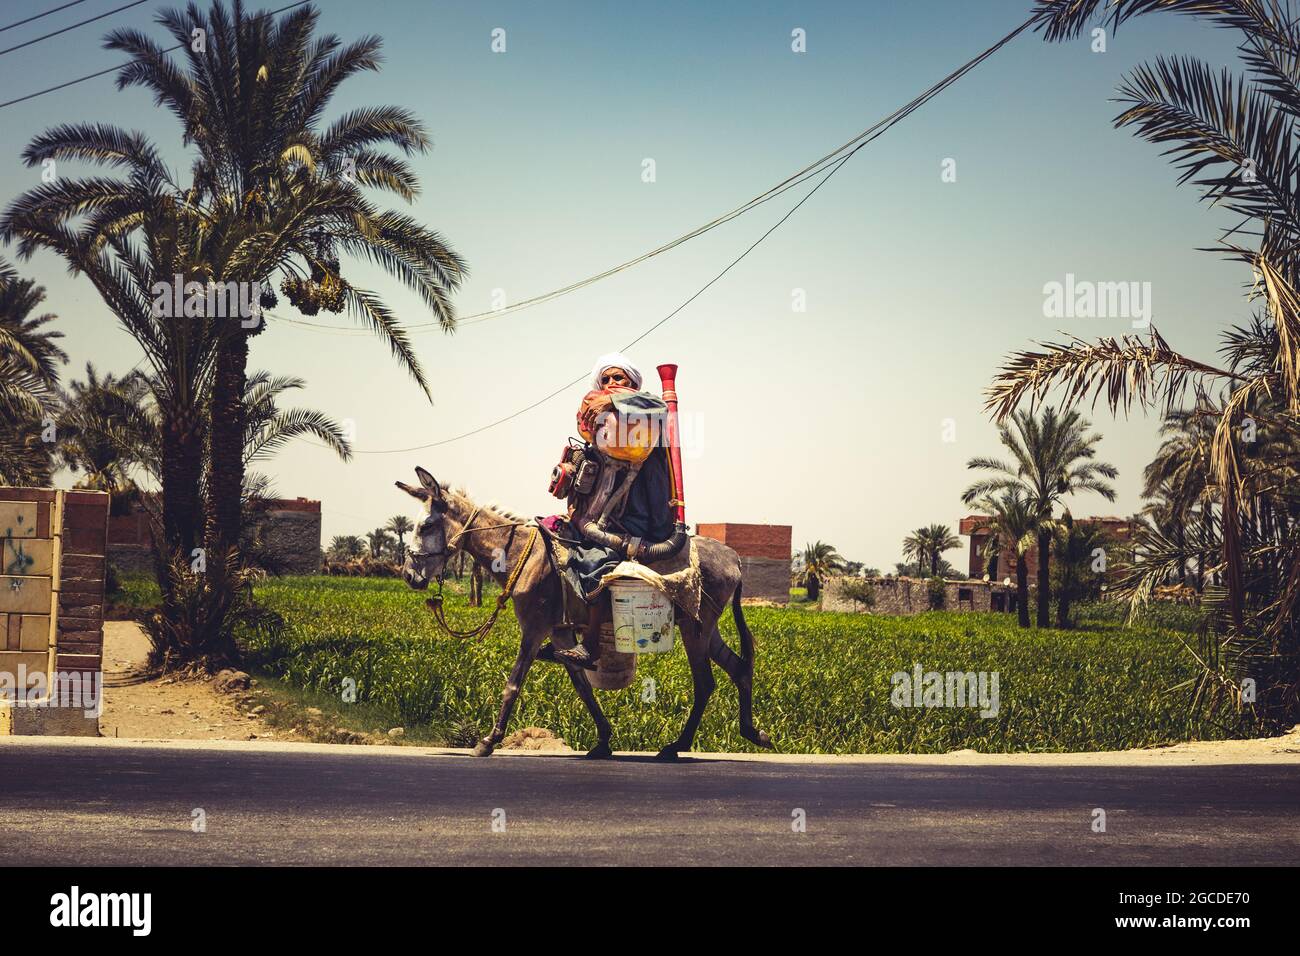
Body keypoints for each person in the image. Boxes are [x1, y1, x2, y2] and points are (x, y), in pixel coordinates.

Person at [552, 353, 674, 669]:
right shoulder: (600, 435)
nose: (611, 384)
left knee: (596, 560)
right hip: (591, 519)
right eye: (605, 379)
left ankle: (590, 646)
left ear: (633, 383)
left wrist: (611, 403)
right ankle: (558, 636)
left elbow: (656, 406)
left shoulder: (647, 418)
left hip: (632, 522)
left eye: (619, 378)